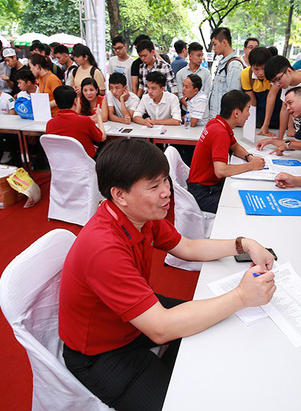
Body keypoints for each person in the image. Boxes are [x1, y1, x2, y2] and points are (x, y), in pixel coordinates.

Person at [59, 137, 276, 411]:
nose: (166, 192)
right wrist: (242, 296)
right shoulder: (104, 249)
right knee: (182, 401)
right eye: (154, 186)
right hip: (102, 352)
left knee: (219, 332)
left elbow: (187, 246)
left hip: (131, 321)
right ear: (120, 195)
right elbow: (161, 328)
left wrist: (243, 243)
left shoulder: (140, 215)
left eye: (165, 180)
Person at [187, 90, 266, 213]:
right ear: (236, 113)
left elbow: (234, 146)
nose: (248, 115)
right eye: (247, 109)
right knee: (241, 207)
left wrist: (249, 157)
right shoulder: (220, 133)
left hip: (203, 187)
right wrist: (250, 166)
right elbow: (221, 171)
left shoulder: (217, 123)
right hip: (203, 194)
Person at [46, 85, 106, 158]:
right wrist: (99, 116)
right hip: (84, 162)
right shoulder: (85, 121)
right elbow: (102, 137)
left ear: (57, 104)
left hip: (61, 162)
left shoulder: (50, 124)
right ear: (75, 101)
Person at [241, 47, 281, 135]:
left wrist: (266, 125)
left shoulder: (276, 73)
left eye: (263, 68)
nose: (261, 73)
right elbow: (252, 101)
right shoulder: (245, 74)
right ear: (250, 66)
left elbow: (271, 97)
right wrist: (249, 123)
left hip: (278, 115)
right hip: (259, 117)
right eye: (256, 69)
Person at [209, 27, 244, 119]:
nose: (213, 48)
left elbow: (232, 98)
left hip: (224, 118)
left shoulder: (234, 65)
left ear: (224, 42)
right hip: (216, 116)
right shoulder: (222, 63)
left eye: (215, 44)